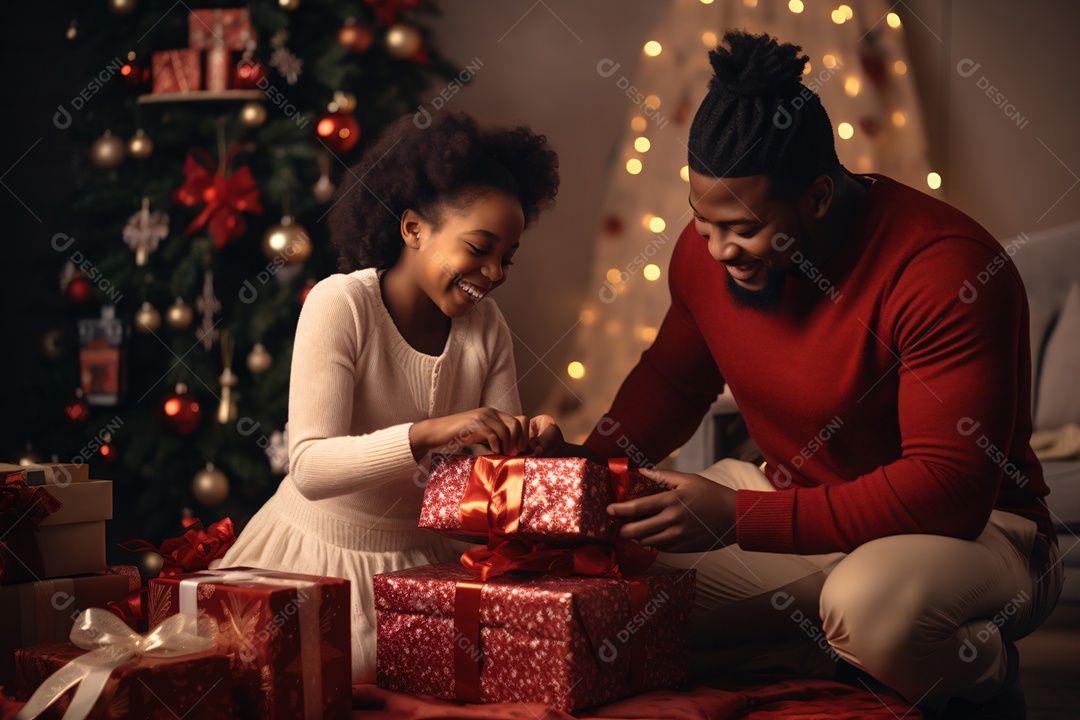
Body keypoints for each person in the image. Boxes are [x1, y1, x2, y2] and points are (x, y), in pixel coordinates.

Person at [571, 31, 1061, 718]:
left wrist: (738, 518)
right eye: (701, 223)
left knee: (869, 613)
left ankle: (981, 668)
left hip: (977, 535)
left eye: (740, 229)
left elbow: (949, 489)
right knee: (608, 606)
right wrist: (577, 483)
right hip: (801, 513)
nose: (716, 250)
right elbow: (673, 384)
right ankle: (831, 655)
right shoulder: (708, 254)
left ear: (819, 199)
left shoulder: (943, 270)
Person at [220, 112, 560, 683]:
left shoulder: (487, 326)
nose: (496, 272)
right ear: (412, 229)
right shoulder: (341, 304)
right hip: (312, 559)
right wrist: (436, 432)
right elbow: (309, 467)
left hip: (426, 563)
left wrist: (531, 447)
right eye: (480, 248)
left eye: (508, 257)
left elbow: (490, 483)